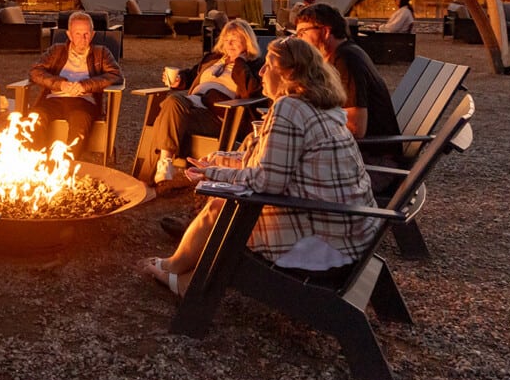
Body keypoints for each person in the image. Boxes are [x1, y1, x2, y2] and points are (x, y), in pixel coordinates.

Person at [139, 36, 379, 297]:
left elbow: (268, 182)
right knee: (225, 197)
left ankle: (177, 272)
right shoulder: (321, 105)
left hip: (321, 243)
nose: (261, 72)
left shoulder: (289, 107)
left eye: (269, 65)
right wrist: (218, 160)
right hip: (347, 233)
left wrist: (211, 174)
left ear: (289, 74)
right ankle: (184, 273)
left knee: (222, 204)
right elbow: (272, 163)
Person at [294, 3, 401, 191]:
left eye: (302, 32)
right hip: (364, 155)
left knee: (291, 176)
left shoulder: (346, 60)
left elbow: (356, 128)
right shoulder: (346, 54)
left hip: (374, 163)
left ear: (326, 31)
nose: (298, 39)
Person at [151, 18, 264, 188]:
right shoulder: (213, 58)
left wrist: (239, 61)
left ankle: (157, 169)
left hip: (221, 116)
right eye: (226, 40)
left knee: (171, 105)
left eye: (234, 39)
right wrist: (179, 80)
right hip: (193, 106)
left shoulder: (255, 64)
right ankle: (162, 170)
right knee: (170, 107)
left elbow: (250, 90)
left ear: (247, 41)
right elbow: (191, 75)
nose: (229, 44)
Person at [28, 11, 123, 160]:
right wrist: (60, 84)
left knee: (80, 120)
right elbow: (35, 72)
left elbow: (116, 75)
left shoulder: (101, 53)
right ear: (69, 35)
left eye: (86, 34)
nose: (82, 39)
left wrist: (85, 86)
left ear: (92, 35)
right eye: (77, 34)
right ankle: (38, 163)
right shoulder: (56, 51)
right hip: (54, 100)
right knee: (36, 118)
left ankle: (67, 166)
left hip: (84, 101)